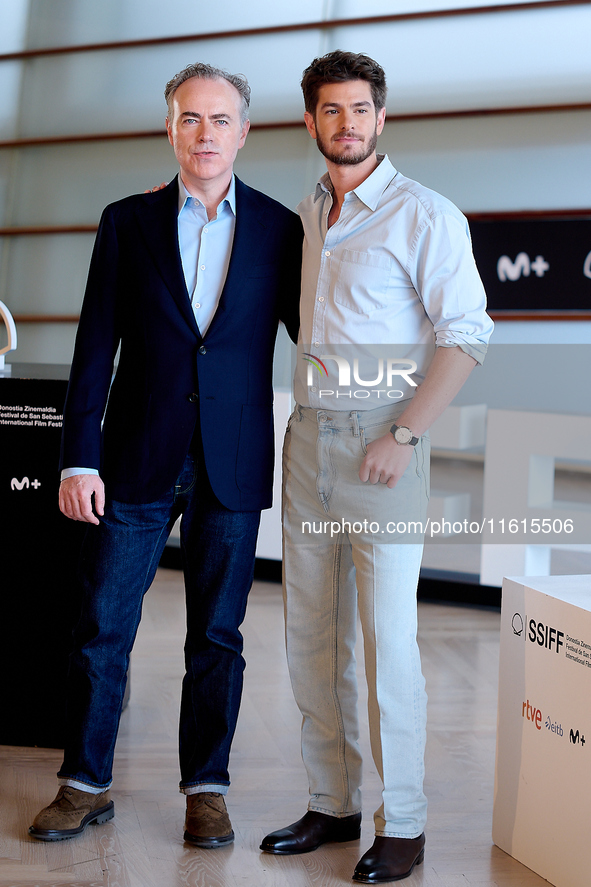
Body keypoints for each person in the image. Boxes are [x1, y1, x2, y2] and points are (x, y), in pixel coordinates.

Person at [29, 63, 302, 848]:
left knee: (217, 635)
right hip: (132, 458)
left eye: (220, 120)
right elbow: (93, 350)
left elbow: (311, 334)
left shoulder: (282, 230)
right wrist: (78, 457)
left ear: (243, 132)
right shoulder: (126, 222)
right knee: (101, 625)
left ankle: (206, 786)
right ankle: (84, 783)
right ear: (170, 128)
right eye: (190, 119)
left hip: (233, 461)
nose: (205, 134)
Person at [260, 51, 493, 882]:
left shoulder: (425, 214)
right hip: (309, 442)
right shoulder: (307, 213)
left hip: (384, 444)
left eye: (359, 109)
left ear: (380, 118)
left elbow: (466, 333)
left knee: (387, 642)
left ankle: (406, 821)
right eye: (330, 110)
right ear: (312, 122)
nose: (346, 124)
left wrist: (404, 434)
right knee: (310, 638)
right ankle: (333, 802)